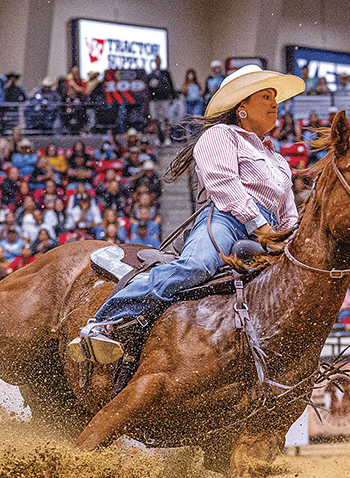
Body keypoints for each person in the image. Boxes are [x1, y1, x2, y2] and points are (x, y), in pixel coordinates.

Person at [69, 64, 304, 364]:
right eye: (266, 96)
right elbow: (224, 184)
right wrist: (259, 226)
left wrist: (290, 239)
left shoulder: (278, 159)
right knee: (196, 266)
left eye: (275, 98)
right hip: (227, 220)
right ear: (241, 106)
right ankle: (105, 320)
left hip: (270, 233)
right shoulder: (220, 135)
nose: (275, 103)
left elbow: (288, 213)